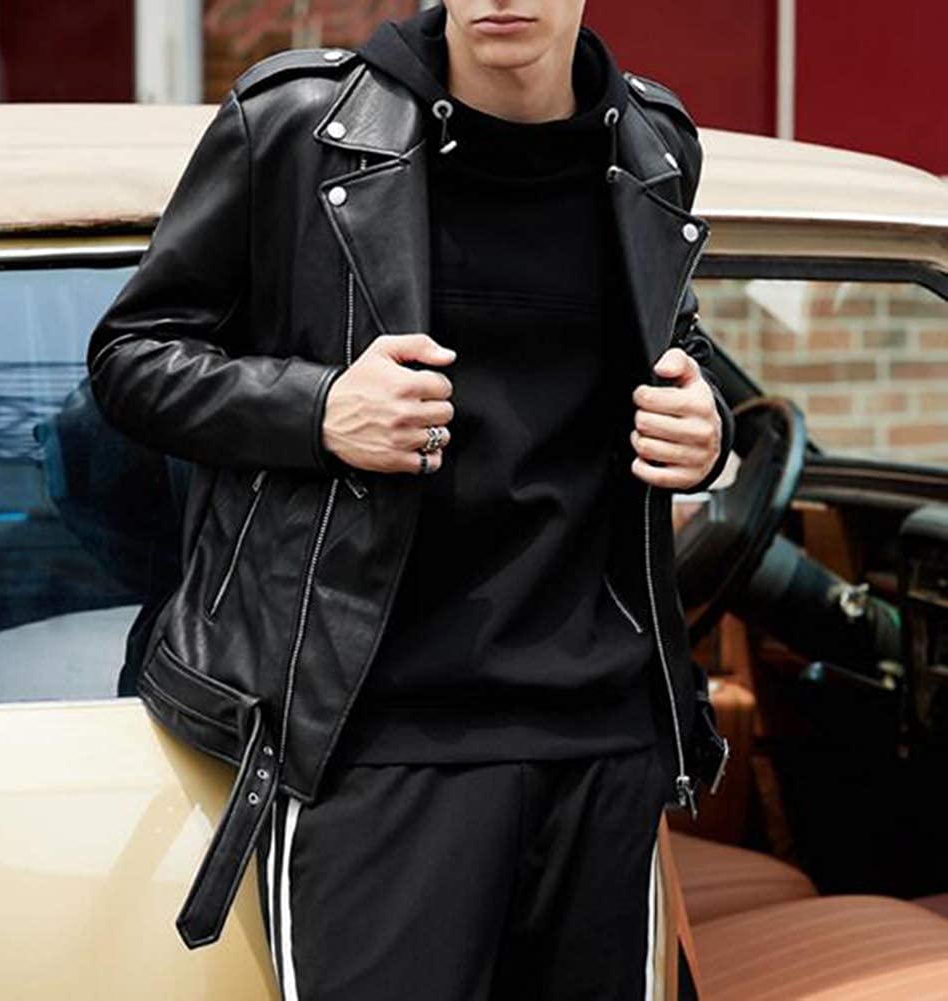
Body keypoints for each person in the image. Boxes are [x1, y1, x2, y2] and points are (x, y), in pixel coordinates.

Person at [86, 2, 733, 998]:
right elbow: (131, 356)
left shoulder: (653, 144)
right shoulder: (299, 127)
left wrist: (707, 421)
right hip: (376, 737)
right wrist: (318, 410)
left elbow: (671, 341)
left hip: (601, 737)